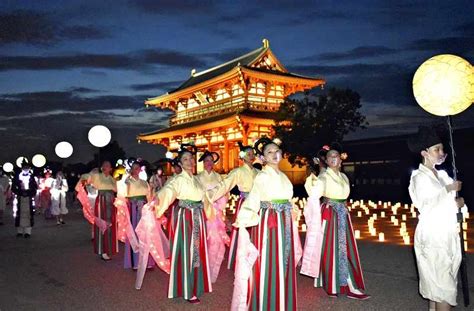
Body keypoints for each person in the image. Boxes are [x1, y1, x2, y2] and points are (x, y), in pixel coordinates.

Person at [233, 137, 301, 310]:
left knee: (284, 259)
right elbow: (254, 198)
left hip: (284, 220)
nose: (274, 154)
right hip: (269, 223)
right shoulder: (262, 177)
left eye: (276, 151)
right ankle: (266, 301)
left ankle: (282, 300)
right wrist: (244, 218)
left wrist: (292, 210)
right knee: (268, 261)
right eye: (269, 152)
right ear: (262, 158)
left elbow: (288, 200)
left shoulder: (284, 177)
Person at [408, 126, 467, 310]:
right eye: (437, 149)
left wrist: (461, 205)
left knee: (439, 283)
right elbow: (425, 205)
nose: (441, 153)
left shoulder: (443, 175)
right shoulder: (418, 177)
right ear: (425, 153)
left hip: (448, 234)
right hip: (433, 235)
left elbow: (453, 203)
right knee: (443, 288)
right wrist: (448, 191)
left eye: (442, 149)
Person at [306, 143, 369, 300]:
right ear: (326, 161)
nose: (334, 159)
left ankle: (345, 284)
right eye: (330, 157)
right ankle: (336, 284)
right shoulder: (323, 177)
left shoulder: (344, 176)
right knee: (331, 248)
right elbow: (313, 197)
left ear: (341, 159)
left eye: (336, 156)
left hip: (342, 213)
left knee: (344, 248)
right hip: (329, 213)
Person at [153, 144, 212, 304]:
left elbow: (205, 198)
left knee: (197, 251)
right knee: (188, 252)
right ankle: (187, 289)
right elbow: (169, 190)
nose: (189, 161)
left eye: (191, 158)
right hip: (186, 218)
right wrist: (159, 197)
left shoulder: (196, 179)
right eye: (185, 159)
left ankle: (196, 284)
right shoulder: (178, 179)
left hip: (198, 217)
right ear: (179, 163)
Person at [209, 141, 259, 270]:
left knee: (256, 230)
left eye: (253, 154)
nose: (251, 156)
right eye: (248, 154)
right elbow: (226, 185)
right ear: (242, 156)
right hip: (245, 203)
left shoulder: (259, 172)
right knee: (243, 230)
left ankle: (256, 257)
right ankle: (241, 258)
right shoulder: (238, 171)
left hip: (257, 203)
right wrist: (211, 195)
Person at [197, 150, 229, 283]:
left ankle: (212, 266)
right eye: (206, 161)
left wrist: (220, 205)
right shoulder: (197, 177)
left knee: (216, 238)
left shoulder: (219, 177)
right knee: (203, 237)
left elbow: (225, 193)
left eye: (211, 161)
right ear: (203, 163)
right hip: (203, 210)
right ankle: (202, 265)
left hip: (216, 211)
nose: (208, 163)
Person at [84, 161, 118, 261]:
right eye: (104, 165)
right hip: (102, 200)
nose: (106, 167)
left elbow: (116, 190)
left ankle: (109, 248)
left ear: (111, 168)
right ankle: (103, 250)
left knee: (110, 224)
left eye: (108, 165)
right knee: (102, 223)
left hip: (111, 201)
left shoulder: (112, 179)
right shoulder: (97, 176)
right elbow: (86, 179)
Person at [124, 161, 154, 270]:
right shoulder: (127, 181)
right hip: (133, 209)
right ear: (131, 169)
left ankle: (147, 261)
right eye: (134, 168)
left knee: (146, 233)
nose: (136, 170)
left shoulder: (144, 182)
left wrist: (151, 206)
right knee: (135, 232)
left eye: (138, 168)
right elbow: (123, 195)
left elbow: (149, 195)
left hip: (144, 209)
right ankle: (135, 261)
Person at [11, 160, 38, 238]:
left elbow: (35, 187)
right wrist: (19, 192)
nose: (26, 169)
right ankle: (19, 231)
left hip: (28, 198)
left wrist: (29, 193)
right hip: (19, 197)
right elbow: (13, 187)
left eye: (27, 168)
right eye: (24, 167)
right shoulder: (17, 176)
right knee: (18, 213)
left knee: (28, 214)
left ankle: (27, 232)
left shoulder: (32, 177)